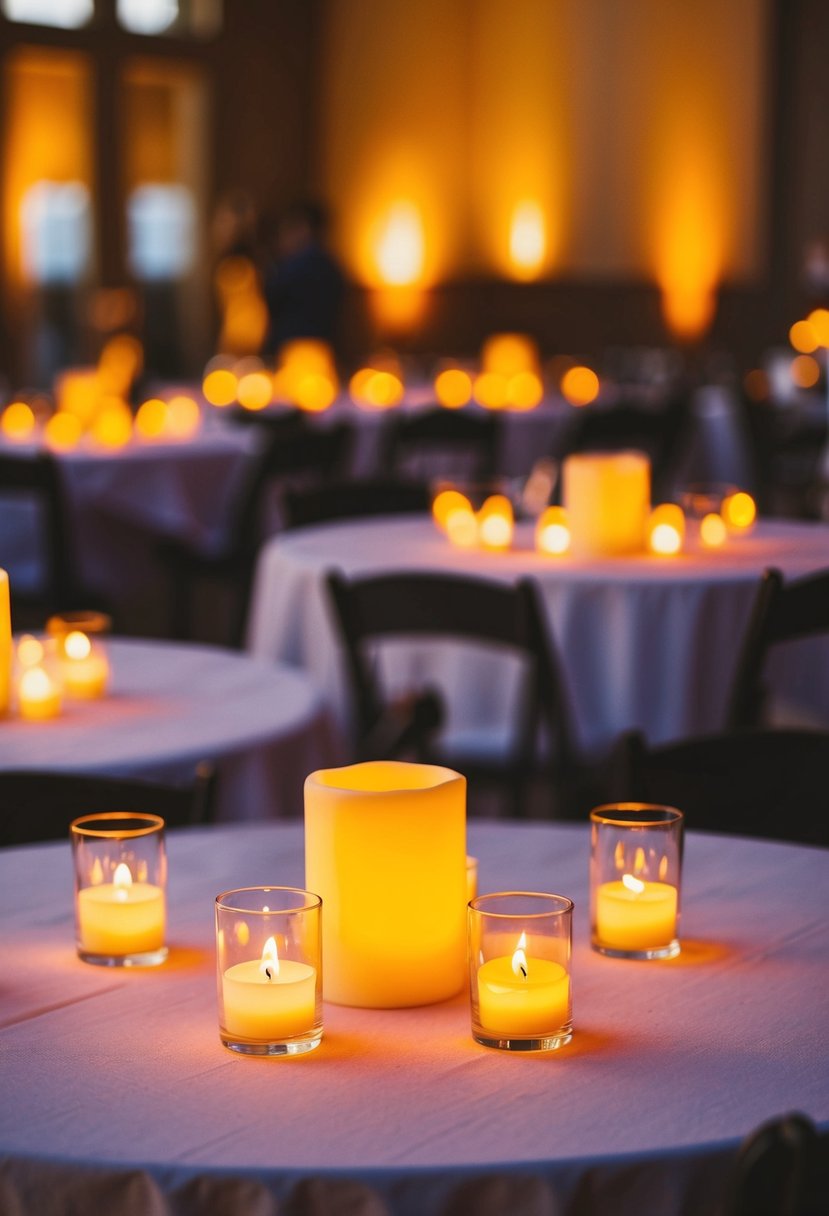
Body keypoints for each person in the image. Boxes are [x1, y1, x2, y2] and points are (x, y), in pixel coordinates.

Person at [261, 200, 345, 359]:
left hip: (293, 351)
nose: (282, 239)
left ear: (303, 229)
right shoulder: (332, 266)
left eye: (286, 231)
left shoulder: (296, 266)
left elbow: (270, 296)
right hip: (323, 351)